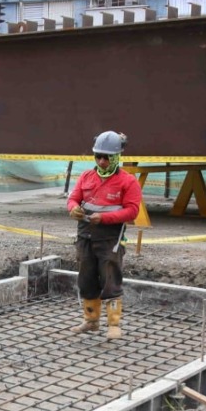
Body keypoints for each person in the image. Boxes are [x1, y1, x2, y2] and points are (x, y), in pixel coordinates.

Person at [65, 130, 143, 339]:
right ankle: (91, 321)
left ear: (117, 157)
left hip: (110, 239)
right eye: (98, 157)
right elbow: (73, 199)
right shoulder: (86, 176)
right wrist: (73, 208)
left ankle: (114, 324)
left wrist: (105, 218)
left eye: (107, 158)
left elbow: (132, 211)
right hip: (85, 236)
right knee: (86, 278)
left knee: (110, 278)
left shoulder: (127, 182)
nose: (102, 162)